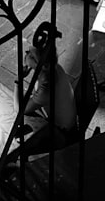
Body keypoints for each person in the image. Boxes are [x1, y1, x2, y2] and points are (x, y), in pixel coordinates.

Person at [8, 23, 77, 161]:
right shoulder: (53, 69)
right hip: (66, 121)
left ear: (43, 65)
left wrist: (18, 81)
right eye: (28, 51)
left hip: (61, 133)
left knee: (14, 145)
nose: (26, 55)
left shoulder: (47, 86)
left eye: (31, 56)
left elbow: (20, 109)